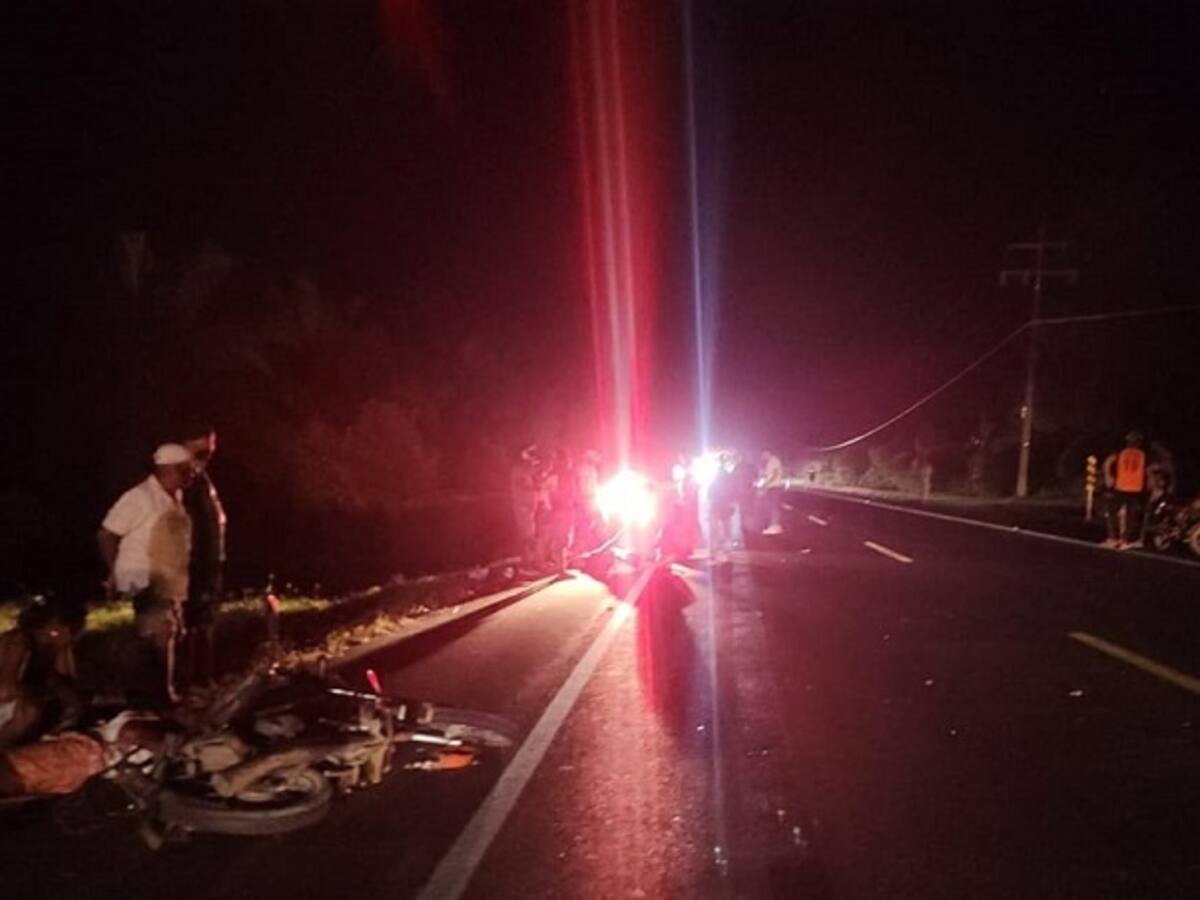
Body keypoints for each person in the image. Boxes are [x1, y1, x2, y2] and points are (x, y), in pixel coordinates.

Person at [98, 443, 195, 705]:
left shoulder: (173, 498)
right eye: (186, 469)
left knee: (164, 633)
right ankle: (160, 695)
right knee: (161, 632)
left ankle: (153, 692)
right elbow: (107, 533)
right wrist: (114, 571)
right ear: (170, 469)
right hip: (143, 575)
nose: (191, 474)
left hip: (166, 577)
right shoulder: (139, 497)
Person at [180, 424, 227, 687]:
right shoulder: (184, 485)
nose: (205, 460)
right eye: (199, 453)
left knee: (205, 623)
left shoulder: (202, 481)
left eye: (208, 454)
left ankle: (202, 678)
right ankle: (189, 682)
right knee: (189, 625)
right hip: (192, 567)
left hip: (208, 564)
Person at [0, 598, 79, 749]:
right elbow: (5, 690)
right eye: (70, 628)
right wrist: (38, 695)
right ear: (53, 628)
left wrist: (64, 649)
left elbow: (67, 684)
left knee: (66, 707)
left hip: (17, 705)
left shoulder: (49, 648)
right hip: (7, 705)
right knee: (30, 710)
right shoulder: (17, 642)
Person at [1101, 431, 1147, 549]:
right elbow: (1149, 469)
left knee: (1111, 511)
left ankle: (1113, 538)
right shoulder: (1143, 455)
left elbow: (1107, 462)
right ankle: (1124, 540)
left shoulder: (1121, 452)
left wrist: (1108, 476)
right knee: (1131, 516)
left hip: (1122, 487)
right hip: (1136, 489)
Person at [511, 445, 541, 574]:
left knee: (531, 535)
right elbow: (526, 485)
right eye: (530, 453)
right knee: (527, 536)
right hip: (523, 507)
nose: (533, 456)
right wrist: (538, 485)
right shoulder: (519, 470)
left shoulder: (527, 470)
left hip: (530, 507)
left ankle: (530, 563)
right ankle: (525, 565)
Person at [758, 449, 785, 535]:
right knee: (771, 506)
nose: (762, 457)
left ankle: (775, 526)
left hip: (774, 487)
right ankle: (773, 525)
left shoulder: (774, 460)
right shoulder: (770, 462)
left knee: (774, 507)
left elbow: (774, 474)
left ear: (767, 453)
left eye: (763, 454)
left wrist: (765, 484)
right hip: (771, 487)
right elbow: (767, 475)